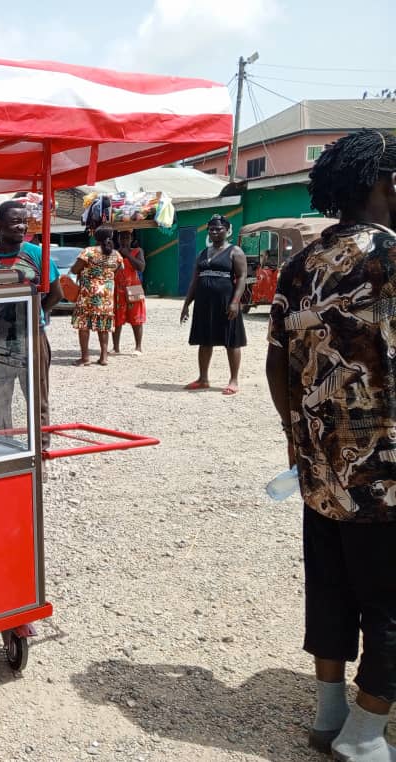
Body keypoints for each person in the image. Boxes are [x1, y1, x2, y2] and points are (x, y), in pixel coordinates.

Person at [266, 129, 396, 762]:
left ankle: (329, 716)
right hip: (386, 472)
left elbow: (275, 366)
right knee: (390, 604)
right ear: (385, 182)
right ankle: (366, 736)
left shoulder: (299, 264)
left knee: (333, 588)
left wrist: (300, 440)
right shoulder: (391, 258)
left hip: (320, 467)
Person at [0, 200, 62, 448]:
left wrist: (37, 314)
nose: (21, 227)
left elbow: (56, 292)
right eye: (15, 221)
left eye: (24, 222)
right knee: (0, 397)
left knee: (36, 395)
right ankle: (3, 447)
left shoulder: (36, 254)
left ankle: (40, 450)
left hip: (31, 336)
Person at [179, 214, 247, 395]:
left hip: (226, 302)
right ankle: (203, 378)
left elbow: (241, 279)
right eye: (211, 229)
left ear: (227, 231)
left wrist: (235, 302)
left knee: (231, 341)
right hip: (204, 303)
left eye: (219, 229)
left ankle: (233, 381)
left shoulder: (235, 251)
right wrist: (187, 304)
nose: (215, 232)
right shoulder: (202, 253)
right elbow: (194, 280)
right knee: (204, 340)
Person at [70, 226, 121, 366]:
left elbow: (75, 269)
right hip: (106, 296)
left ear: (95, 237)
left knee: (84, 324)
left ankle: (85, 358)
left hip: (88, 294)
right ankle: (103, 357)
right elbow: (116, 271)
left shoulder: (89, 251)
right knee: (104, 325)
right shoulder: (116, 254)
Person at [112, 229, 146, 355]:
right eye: (122, 237)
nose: (124, 240)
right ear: (118, 239)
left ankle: (138, 347)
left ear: (131, 239)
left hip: (134, 287)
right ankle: (115, 347)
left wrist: (128, 255)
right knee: (116, 318)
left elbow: (141, 267)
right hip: (117, 289)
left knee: (136, 317)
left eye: (127, 237)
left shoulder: (138, 251)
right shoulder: (114, 253)